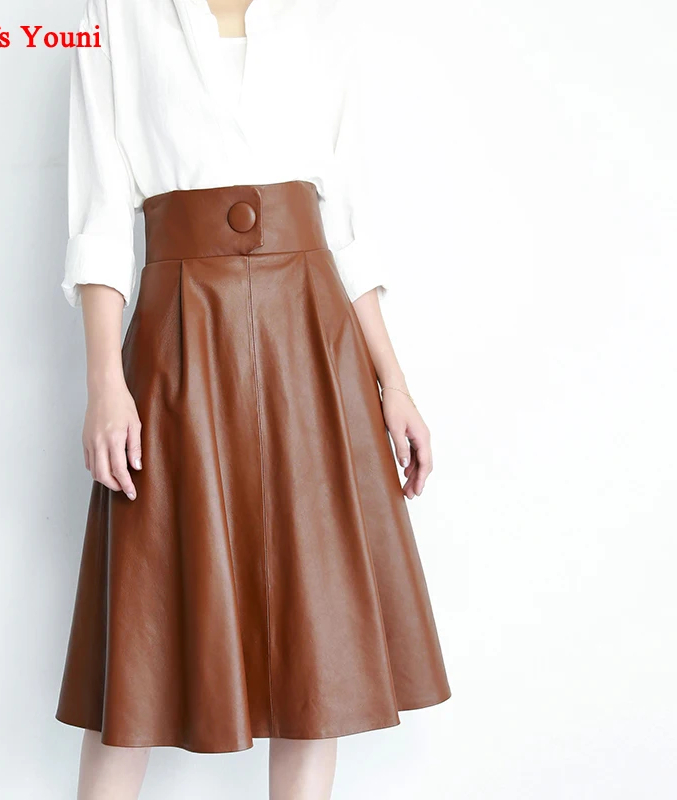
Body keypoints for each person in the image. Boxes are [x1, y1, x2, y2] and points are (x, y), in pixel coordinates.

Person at [54, 0, 452, 797]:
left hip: (312, 341)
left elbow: (345, 227)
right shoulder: (116, 11)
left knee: (316, 655)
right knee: (137, 647)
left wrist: (394, 382)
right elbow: (99, 218)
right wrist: (104, 382)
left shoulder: (321, 15)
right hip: (177, 344)